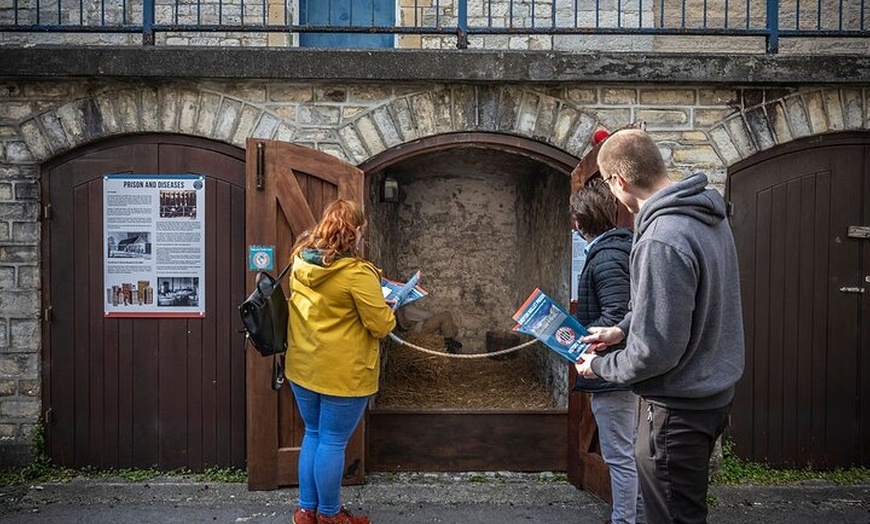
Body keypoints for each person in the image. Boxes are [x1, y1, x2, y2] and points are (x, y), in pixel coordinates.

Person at [576, 129, 745, 524]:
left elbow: (655, 350)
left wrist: (599, 367)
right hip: (712, 396)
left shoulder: (662, 237)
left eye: (610, 186)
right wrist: (621, 329)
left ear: (619, 181)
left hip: (677, 411)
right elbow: (678, 302)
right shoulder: (706, 216)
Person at [285, 199, 396, 524]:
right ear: (355, 231)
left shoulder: (300, 261)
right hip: (343, 374)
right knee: (332, 440)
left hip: (303, 367)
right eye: (362, 230)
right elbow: (380, 324)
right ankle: (331, 516)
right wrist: (391, 306)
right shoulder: (356, 273)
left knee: (313, 434)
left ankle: (307, 511)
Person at [570, 178, 645, 524]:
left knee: (619, 455)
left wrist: (572, 335)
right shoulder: (616, 250)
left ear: (580, 221)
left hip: (613, 371)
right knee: (626, 451)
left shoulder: (605, 257)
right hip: (616, 368)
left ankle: (624, 521)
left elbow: (616, 316)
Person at [395, 299, 463, 353]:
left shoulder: (402, 310)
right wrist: (435, 317)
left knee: (453, 328)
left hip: (419, 326)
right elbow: (426, 315)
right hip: (419, 328)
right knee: (446, 315)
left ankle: (449, 341)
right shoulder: (407, 309)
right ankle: (448, 344)